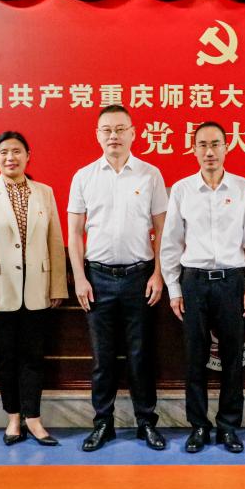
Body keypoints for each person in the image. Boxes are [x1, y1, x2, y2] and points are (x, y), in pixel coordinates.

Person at [67, 104, 168, 452]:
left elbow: (162, 230)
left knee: (141, 355)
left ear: (133, 133)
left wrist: (158, 273)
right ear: (97, 135)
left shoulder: (150, 174)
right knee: (102, 357)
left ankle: (146, 423)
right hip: (97, 279)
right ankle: (103, 423)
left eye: (120, 129)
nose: (114, 135)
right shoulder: (84, 177)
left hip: (141, 277)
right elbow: (74, 233)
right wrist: (80, 278)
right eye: (107, 129)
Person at [161, 121, 245, 454]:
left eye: (215, 144)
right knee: (195, 358)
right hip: (194, 281)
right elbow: (171, 243)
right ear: (193, 149)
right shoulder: (182, 190)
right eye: (202, 145)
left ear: (227, 147)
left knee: (232, 357)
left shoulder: (242, 188)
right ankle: (199, 426)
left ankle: (228, 426)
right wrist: (174, 289)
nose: (209, 151)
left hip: (232, 281)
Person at [0, 131, 67, 446]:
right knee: (5, 358)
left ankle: (33, 419)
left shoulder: (44, 192)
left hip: (38, 288)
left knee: (34, 357)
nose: (11, 157)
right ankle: (12, 417)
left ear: (28, 155)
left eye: (17, 151)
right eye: (4, 152)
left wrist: (57, 285)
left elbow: (54, 241)